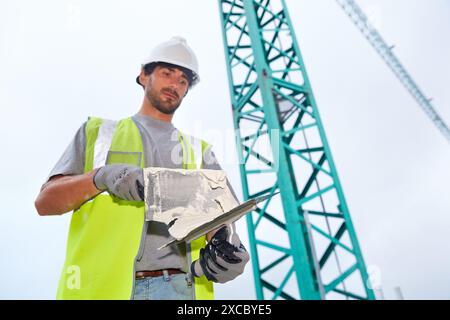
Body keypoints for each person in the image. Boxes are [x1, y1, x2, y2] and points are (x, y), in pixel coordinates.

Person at [35, 36, 249, 300]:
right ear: (143, 76)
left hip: (181, 290)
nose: (174, 84)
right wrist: (101, 177)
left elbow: (220, 222)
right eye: (167, 73)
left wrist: (228, 250)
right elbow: (45, 203)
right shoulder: (98, 133)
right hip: (103, 289)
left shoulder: (199, 151)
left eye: (183, 80)